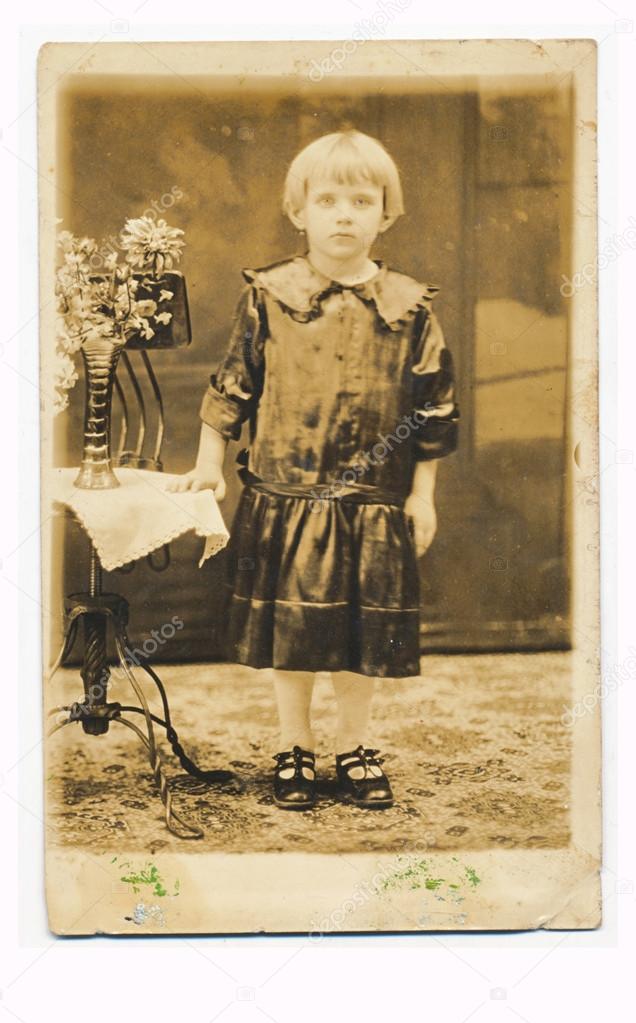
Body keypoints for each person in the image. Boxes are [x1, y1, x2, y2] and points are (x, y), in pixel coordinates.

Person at [167, 128, 459, 812]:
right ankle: (294, 744)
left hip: (373, 504)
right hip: (288, 497)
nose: (344, 214)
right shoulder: (269, 295)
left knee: (359, 643)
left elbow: (434, 408)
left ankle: (354, 744)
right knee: (295, 638)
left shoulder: (410, 308)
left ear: (386, 213)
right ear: (299, 211)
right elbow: (233, 384)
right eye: (327, 199)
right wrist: (210, 462)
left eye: (362, 199)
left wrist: (422, 496)